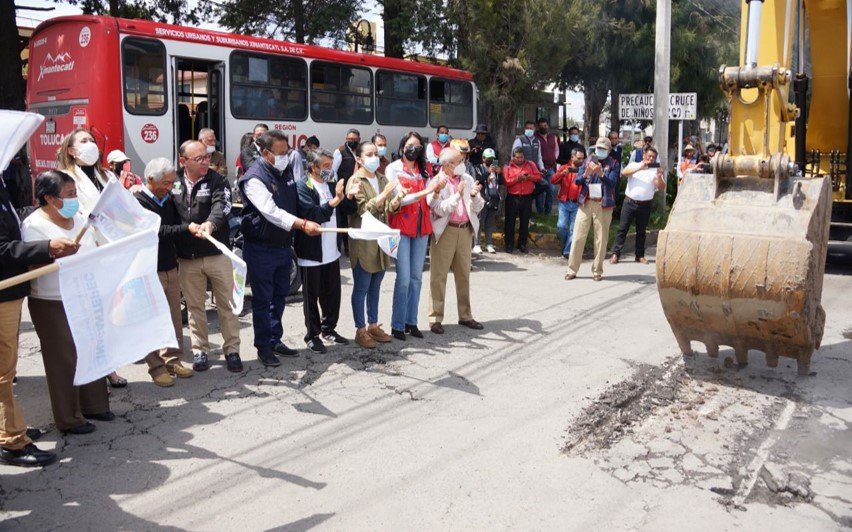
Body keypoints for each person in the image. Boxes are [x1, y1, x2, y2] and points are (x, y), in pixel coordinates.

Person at [22, 170, 112, 435]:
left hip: (84, 293)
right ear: (50, 198)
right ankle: (69, 418)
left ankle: (95, 404)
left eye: (75, 194)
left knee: (91, 348)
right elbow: (31, 263)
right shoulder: (33, 225)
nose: (74, 200)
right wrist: (56, 252)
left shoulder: (79, 217)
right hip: (51, 300)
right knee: (63, 357)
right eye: (69, 195)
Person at [0, 170, 76, 466]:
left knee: (7, 367)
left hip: (12, 291)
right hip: (3, 291)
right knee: (3, 372)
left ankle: (9, 425)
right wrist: (47, 247)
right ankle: (12, 441)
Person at [238, 131, 321, 367]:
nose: (287, 156)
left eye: (288, 152)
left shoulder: (284, 172)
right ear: (265, 153)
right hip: (261, 248)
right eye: (282, 153)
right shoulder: (254, 178)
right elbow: (271, 212)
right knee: (263, 300)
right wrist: (303, 224)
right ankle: (263, 347)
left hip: (283, 246)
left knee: (280, 296)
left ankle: (275, 339)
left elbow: (296, 201)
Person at [174, 140, 242, 373]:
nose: (206, 162)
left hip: (216, 254)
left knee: (227, 305)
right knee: (195, 307)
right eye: (199, 159)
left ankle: (232, 350)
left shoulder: (217, 180)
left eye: (207, 157)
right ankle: (200, 350)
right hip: (187, 257)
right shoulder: (173, 182)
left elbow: (222, 205)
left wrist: (210, 225)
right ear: (183, 161)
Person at [135, 158, 198, 386]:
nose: (170, 187)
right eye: (166, 182)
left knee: (173, 318)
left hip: (171, 267)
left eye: (172, 182)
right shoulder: (137, 202)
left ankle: (172, 359)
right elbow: (156, 231)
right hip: (150, 270)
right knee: (151, 321)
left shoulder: (169, 199)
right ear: (151, 179)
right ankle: (156, 367)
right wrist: (186, 229)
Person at [295, 149, 352, 353]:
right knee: (311, 297)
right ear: (313, 167)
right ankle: (312, 335)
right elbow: (313, 214)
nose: (330, 170)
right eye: (326, 166)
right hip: (312, 254)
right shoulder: (303, 186)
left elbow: (343, 210)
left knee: (332, 295)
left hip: (331, 252)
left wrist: (348, 196)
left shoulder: (329, 185)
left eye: (330, 165)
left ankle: (329, 329)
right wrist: (335, 200)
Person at [347, 141, 402, 348]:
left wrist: (396, 200)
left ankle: (372, 324)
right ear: (359, 159)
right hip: (365, 240)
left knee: (375, 286)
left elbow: (388, 207)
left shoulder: (381, 178)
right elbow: (364, 210)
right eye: (368, 154)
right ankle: (360, 329)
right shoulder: (356, 180)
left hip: (382, 240)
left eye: (375, 153)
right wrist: (386, 194)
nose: (374, 158)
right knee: (361, 287)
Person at [385, 131, 438, 341]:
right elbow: (399, 199)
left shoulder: (424, 170)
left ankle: (411, 321)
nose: (413, 149)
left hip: (421, 227)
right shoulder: (393, 169)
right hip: (400, 227)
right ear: (401, 147)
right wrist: (426, 192)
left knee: (417, 278)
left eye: (417, 146)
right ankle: (397, 324)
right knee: (404, 278)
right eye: (410, 145)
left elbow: (431, 198)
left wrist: (436, 190)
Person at [426, 148, 485, 334]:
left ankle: (465, 315)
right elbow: (438, 209)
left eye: (462, 160)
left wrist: (474, 196)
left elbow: (478, 206)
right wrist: (457, 195)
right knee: (438, 276)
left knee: (463, 275)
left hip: (465, 230)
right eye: (458, 161)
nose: (462, 163)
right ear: (447, 164)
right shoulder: (436, 181)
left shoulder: (466, 179)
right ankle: (435, 318)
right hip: (446, 231)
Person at [564, 137, 621, 281]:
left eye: (603, 149)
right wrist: (586, 174)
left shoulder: (613, 163)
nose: (600, 151)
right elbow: (577, 181)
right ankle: (572, 269)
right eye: (598, 148)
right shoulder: (588, 160)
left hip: (603, 204)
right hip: (586, 202)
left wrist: (601, 173)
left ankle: (597, 271)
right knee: (577, 236)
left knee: (601, 239)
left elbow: (613, 184)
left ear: (609, 150)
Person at [610, 147, 666, 265]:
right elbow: (624, 173)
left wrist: (660, 176)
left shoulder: (655, 170)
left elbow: (661, 187)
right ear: (644, 155)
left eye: (653, 157)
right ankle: (616, 253)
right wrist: (641, 167)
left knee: (641, 231)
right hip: (629, 202)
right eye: (649, 156)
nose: (651, 159)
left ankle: (639, 255)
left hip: (645, 204)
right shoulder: (634, 164)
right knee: (622, 228)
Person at [57, 128, 115, 214]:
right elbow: (74, 212)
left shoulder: (108, 174)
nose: (90, 145)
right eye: (84, 141)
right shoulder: (64, 178)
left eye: (92, 141)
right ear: (71, 151)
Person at [502, 147, 541, 254]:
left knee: (525, 222)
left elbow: (538, 177)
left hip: (527, 197)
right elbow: (506, 182)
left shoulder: (530, 164)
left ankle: (522, 244)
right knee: (510, 222)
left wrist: (529, 177)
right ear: (513, 157)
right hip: (513, 198)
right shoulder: (507, 167)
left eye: (521, 157)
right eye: (517, 157)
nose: (519, 159)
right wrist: (517, 179)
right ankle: (509, 244)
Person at [552, 147, 585, 259]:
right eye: (579, 158)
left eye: (583, 159)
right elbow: (553, 180)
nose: (581, 160)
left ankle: (567, 251)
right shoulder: (564, 168)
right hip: (564, 202)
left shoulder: (584, 169)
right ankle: (567, 245)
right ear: (572, 157)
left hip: (577, 204)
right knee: (561, 226)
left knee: (573, 229)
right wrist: (562, 174)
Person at [332, 129, 361, 252]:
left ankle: (356, 245)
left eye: (355, 140)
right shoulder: (340, 152)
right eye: (350, 139)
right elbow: (333, 171)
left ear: (359, 139)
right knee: (343, 221)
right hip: (344, 192)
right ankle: (346, 247)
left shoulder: (361, 151)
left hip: (358, 191)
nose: (352, 142)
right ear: (346, 139)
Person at [472, 148, 502, 254]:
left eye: (492, 159)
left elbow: (502, 182)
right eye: (488, 159)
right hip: (482, 198)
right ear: (483, 158)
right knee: (479, 221)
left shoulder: (496, 170)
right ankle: (476, 244)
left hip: (493, 198)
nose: (490, 161)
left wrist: (500, 173)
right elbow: (477, 179)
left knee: (490, 223)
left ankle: (489, 244)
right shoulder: (478, 168)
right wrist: (487, 173)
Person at [534, 118, 560, 214]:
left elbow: (557, 150)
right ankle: (540, 211)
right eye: (541, 126)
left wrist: (554, 158)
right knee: (540, 190)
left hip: (550, 168)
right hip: (539, 169)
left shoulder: (553, 137)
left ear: (548, 126)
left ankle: (547, 211)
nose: (543, 128)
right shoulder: (535, 137)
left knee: (551, 189)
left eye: (545, 126)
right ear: (538, 127)